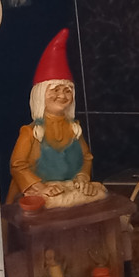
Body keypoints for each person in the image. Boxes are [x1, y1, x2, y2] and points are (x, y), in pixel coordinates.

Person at [8, 29, 106, 207]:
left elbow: (86, 158)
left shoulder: (74, 129)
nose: (62, 95)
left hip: (68, 193)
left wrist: (82, 177)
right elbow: (17, 165)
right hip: (36, 198)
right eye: (55, 90)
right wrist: (40, 187)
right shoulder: (30, 132)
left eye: (67, 90)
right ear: (40, 94)